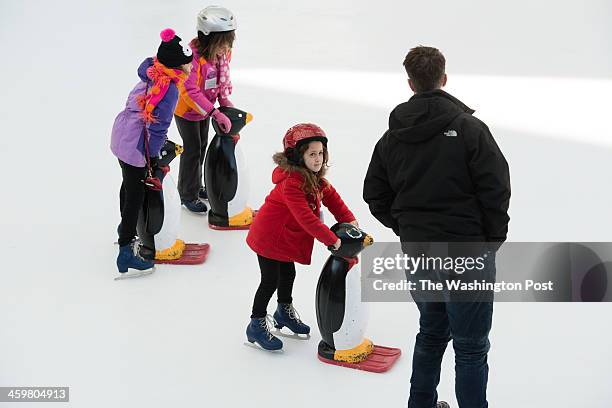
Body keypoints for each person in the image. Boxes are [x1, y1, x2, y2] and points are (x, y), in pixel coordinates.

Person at [363, 46, 510, 408]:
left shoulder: (391, 139)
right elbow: (496, 189)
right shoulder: (471, 129)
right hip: (469, 253)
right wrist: (490, 240)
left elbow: (374, 194)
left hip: (420, 252)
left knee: (431, 332)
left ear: (410, 83)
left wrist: (406, 227)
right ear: (443, 79)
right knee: (471, 347)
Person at [245, 123, 358, 351]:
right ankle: (256, 324)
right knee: (270, 281)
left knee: (288, 274)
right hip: (268, 237)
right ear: (298, 156)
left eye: (321, 153)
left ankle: (283, 312)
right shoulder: (291, 184)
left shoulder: (314, 180)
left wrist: (349, 219)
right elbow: (306, 218)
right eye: (312, 154)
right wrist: (332, 240)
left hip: (284, 238)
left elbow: (333, 199)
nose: (318, 159)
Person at [110, 28, 193, 278]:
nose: (191, 68)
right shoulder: (169, 89)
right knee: (136, 193)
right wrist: (153, 157)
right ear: (179, 65)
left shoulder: (153, 73)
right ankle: (126, 250)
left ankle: (124, 229)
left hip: (122, 136)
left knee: (128, 185)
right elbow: (158, 126)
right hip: (136, 143)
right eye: (188, 64)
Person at [173, 5, 237, 213]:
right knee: (192, 150)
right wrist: (214, 112)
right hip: (187, 110)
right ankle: (186, 194)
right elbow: (189, 91)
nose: (226, 48)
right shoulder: (192, 58)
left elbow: (219, 79)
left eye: (229, 41)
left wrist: (223, 100)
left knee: (201, 146)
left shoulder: (221, 54)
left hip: (206, 108)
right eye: (222, 42)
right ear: (207, 38)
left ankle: (196, 185)